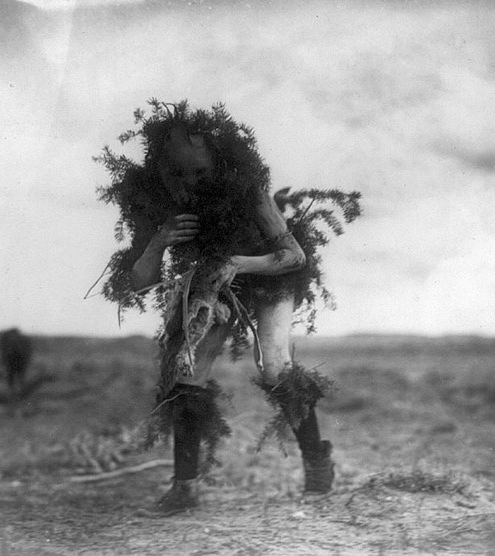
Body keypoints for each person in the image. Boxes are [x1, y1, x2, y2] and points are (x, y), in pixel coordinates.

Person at [124, 119, 336, 513]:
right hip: (216, 281)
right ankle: (184, 489)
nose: (191, 182)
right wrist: (158, 243)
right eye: (179, 174)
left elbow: (294, 256)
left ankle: (317, 460)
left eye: (200, 172)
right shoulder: (160, 201)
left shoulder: (248, 190)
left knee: (275, 366)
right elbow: (139, 282)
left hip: (269, 276)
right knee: (185, 375)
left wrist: (238, 263)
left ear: (219, 161)